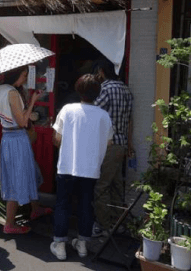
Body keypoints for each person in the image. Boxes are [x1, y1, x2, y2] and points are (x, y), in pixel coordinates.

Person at [50, 74, 113, 261]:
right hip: (91, 168)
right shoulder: (103, 115)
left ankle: (60, 245)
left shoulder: (68, 109)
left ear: (78, 89)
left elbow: (57, 139)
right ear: (97, 93)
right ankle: (83, 245)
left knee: (62, 204)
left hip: (68, 166)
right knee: (86, 205)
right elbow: (109, 143)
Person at [0, 65, 52, 235]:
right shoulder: (11, 92)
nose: (25, 78)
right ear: (16, 74)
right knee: (17, 177)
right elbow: (22, 122)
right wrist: (33, 101)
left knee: (27, 172)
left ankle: (34, 208)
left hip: (8, 137)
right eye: (24, 75)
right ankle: (10, 223)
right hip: (17, 137)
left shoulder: (0, 89)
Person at [93, 58, 134, 237]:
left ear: (101, 71)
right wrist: (129, 144)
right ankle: (119, 222)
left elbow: (92, 112)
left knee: (101, 186)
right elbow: (130, 120)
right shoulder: (126, 89)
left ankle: (104, 225)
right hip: (122, 143)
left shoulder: (105, 89)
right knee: (117, 184)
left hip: (108, 144)